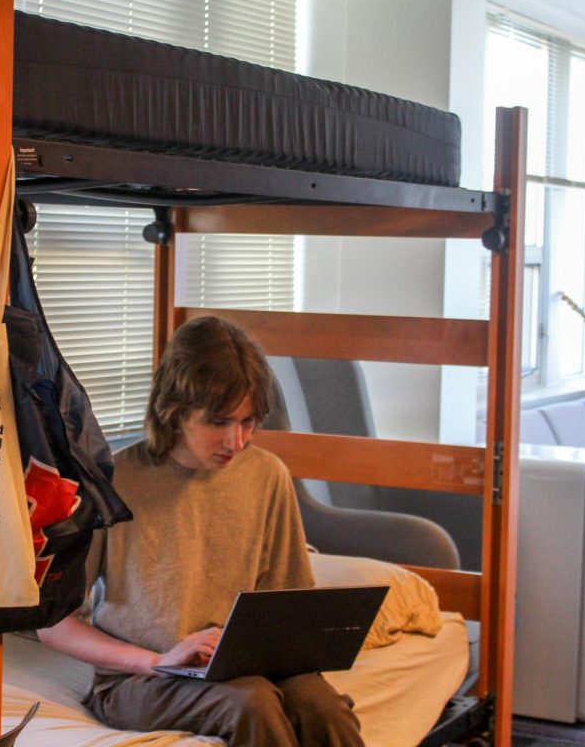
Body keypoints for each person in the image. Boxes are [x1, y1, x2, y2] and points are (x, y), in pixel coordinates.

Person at [37, 316, 364, 747]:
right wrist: (158, 660)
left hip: (244, 666)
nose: (237, 440)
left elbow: (288, 604)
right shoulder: (116, 481)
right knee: (253, 702)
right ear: (174, 409)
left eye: (248, 422)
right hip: (140, 680)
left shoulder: (267, 475)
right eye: (219, 422)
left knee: (324, 709)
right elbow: (53, 624)